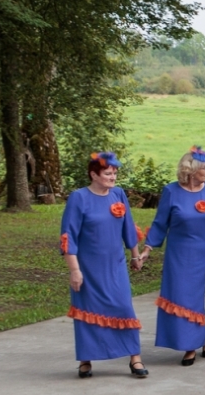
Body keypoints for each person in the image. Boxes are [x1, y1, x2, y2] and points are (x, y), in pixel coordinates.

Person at [61, 152, 149, 379]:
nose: (113, 177)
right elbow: (68, 236)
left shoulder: (118, 194)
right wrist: (74, 269)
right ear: (94, 175)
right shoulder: (78, 198)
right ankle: (85, 360)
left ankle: (135, 357)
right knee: (87, 311)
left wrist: (135, 256)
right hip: (88, 268)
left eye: (115, 173)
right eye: (108, 173)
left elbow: (128, 227)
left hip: (115, 265)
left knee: (123, 307)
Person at [146, 146, 205, 366]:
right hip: (180, 255)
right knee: (183, 297)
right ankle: (189, 345)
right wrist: (148, 248)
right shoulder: (171, 191)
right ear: (191, 169)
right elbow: (160, 223)